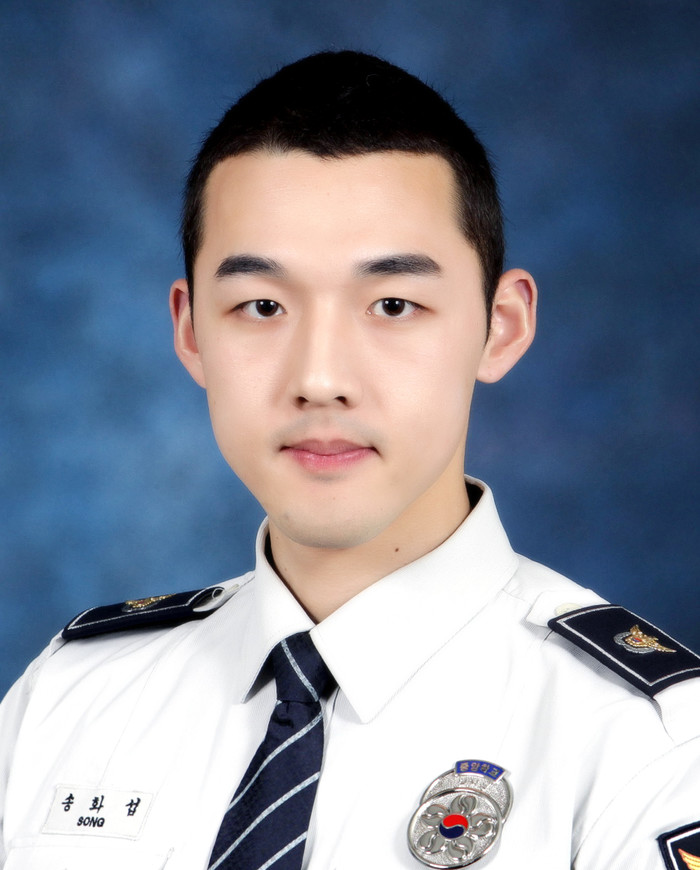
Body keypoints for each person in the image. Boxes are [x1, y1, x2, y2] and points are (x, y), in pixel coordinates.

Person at [0, 50, 698, 870]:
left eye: (393, 305)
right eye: (262, 305)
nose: (320, 377)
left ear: (500, 326)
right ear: (190, 332)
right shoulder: (69, 699)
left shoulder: (647, 748)